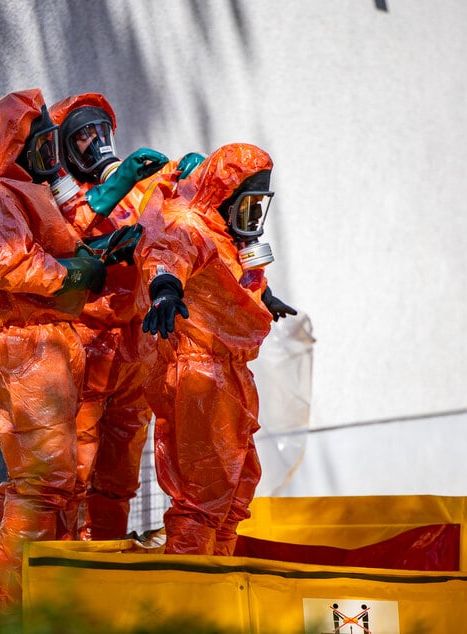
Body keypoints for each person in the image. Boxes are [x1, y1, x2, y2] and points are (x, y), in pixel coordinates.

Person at [0, 88, 106, 618]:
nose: (48, 161)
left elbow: (39, 247)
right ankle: (5, 616)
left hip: (37, 342)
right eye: (42, 147)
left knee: (31, 485)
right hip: (24, 346)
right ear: (13, 142)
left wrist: (87, 259)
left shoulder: (6, 188)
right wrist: (75, 273)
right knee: (44, 484)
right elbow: (12, 263)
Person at [135, 142, 297, 556]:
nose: (253, 217)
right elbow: (167, 256)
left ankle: (215, 590)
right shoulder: (191, 225)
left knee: (236, 490)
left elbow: (231, 279)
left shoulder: (224, 234)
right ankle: (188, 603)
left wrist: (265, 297)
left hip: (229, 374)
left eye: (260, 205)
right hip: (200, 374)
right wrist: (165, 292)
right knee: (203, 497)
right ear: (225, 195)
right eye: (247, 204)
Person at [48, 93, 169, 540]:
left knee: (119, 473)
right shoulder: (54, 193)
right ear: (63, 145)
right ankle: (66, 577)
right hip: (84, 344)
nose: (95, 143)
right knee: (73, 470)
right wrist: (104, 242)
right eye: (82, 135)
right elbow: (60, 241)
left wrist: (192, 178)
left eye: (101, 132)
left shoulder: (134, 191)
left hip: (133, 347)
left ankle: (108, 565)